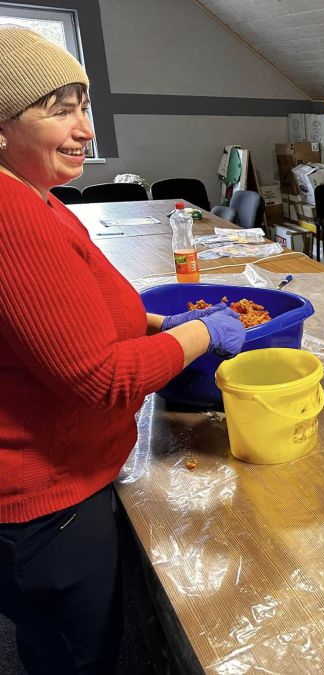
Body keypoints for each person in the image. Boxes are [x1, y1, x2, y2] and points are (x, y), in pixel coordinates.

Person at [0, 26, 246, 673]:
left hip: (57, 493)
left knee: (52, 647)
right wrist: (195, 333)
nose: (85, 129)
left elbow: (69, 311)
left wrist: (152, 319)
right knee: (82, 657)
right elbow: (100, 377)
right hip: (46, 509)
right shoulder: (11, 216)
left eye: (84, 106)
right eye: (60, 110)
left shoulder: (36, 196)